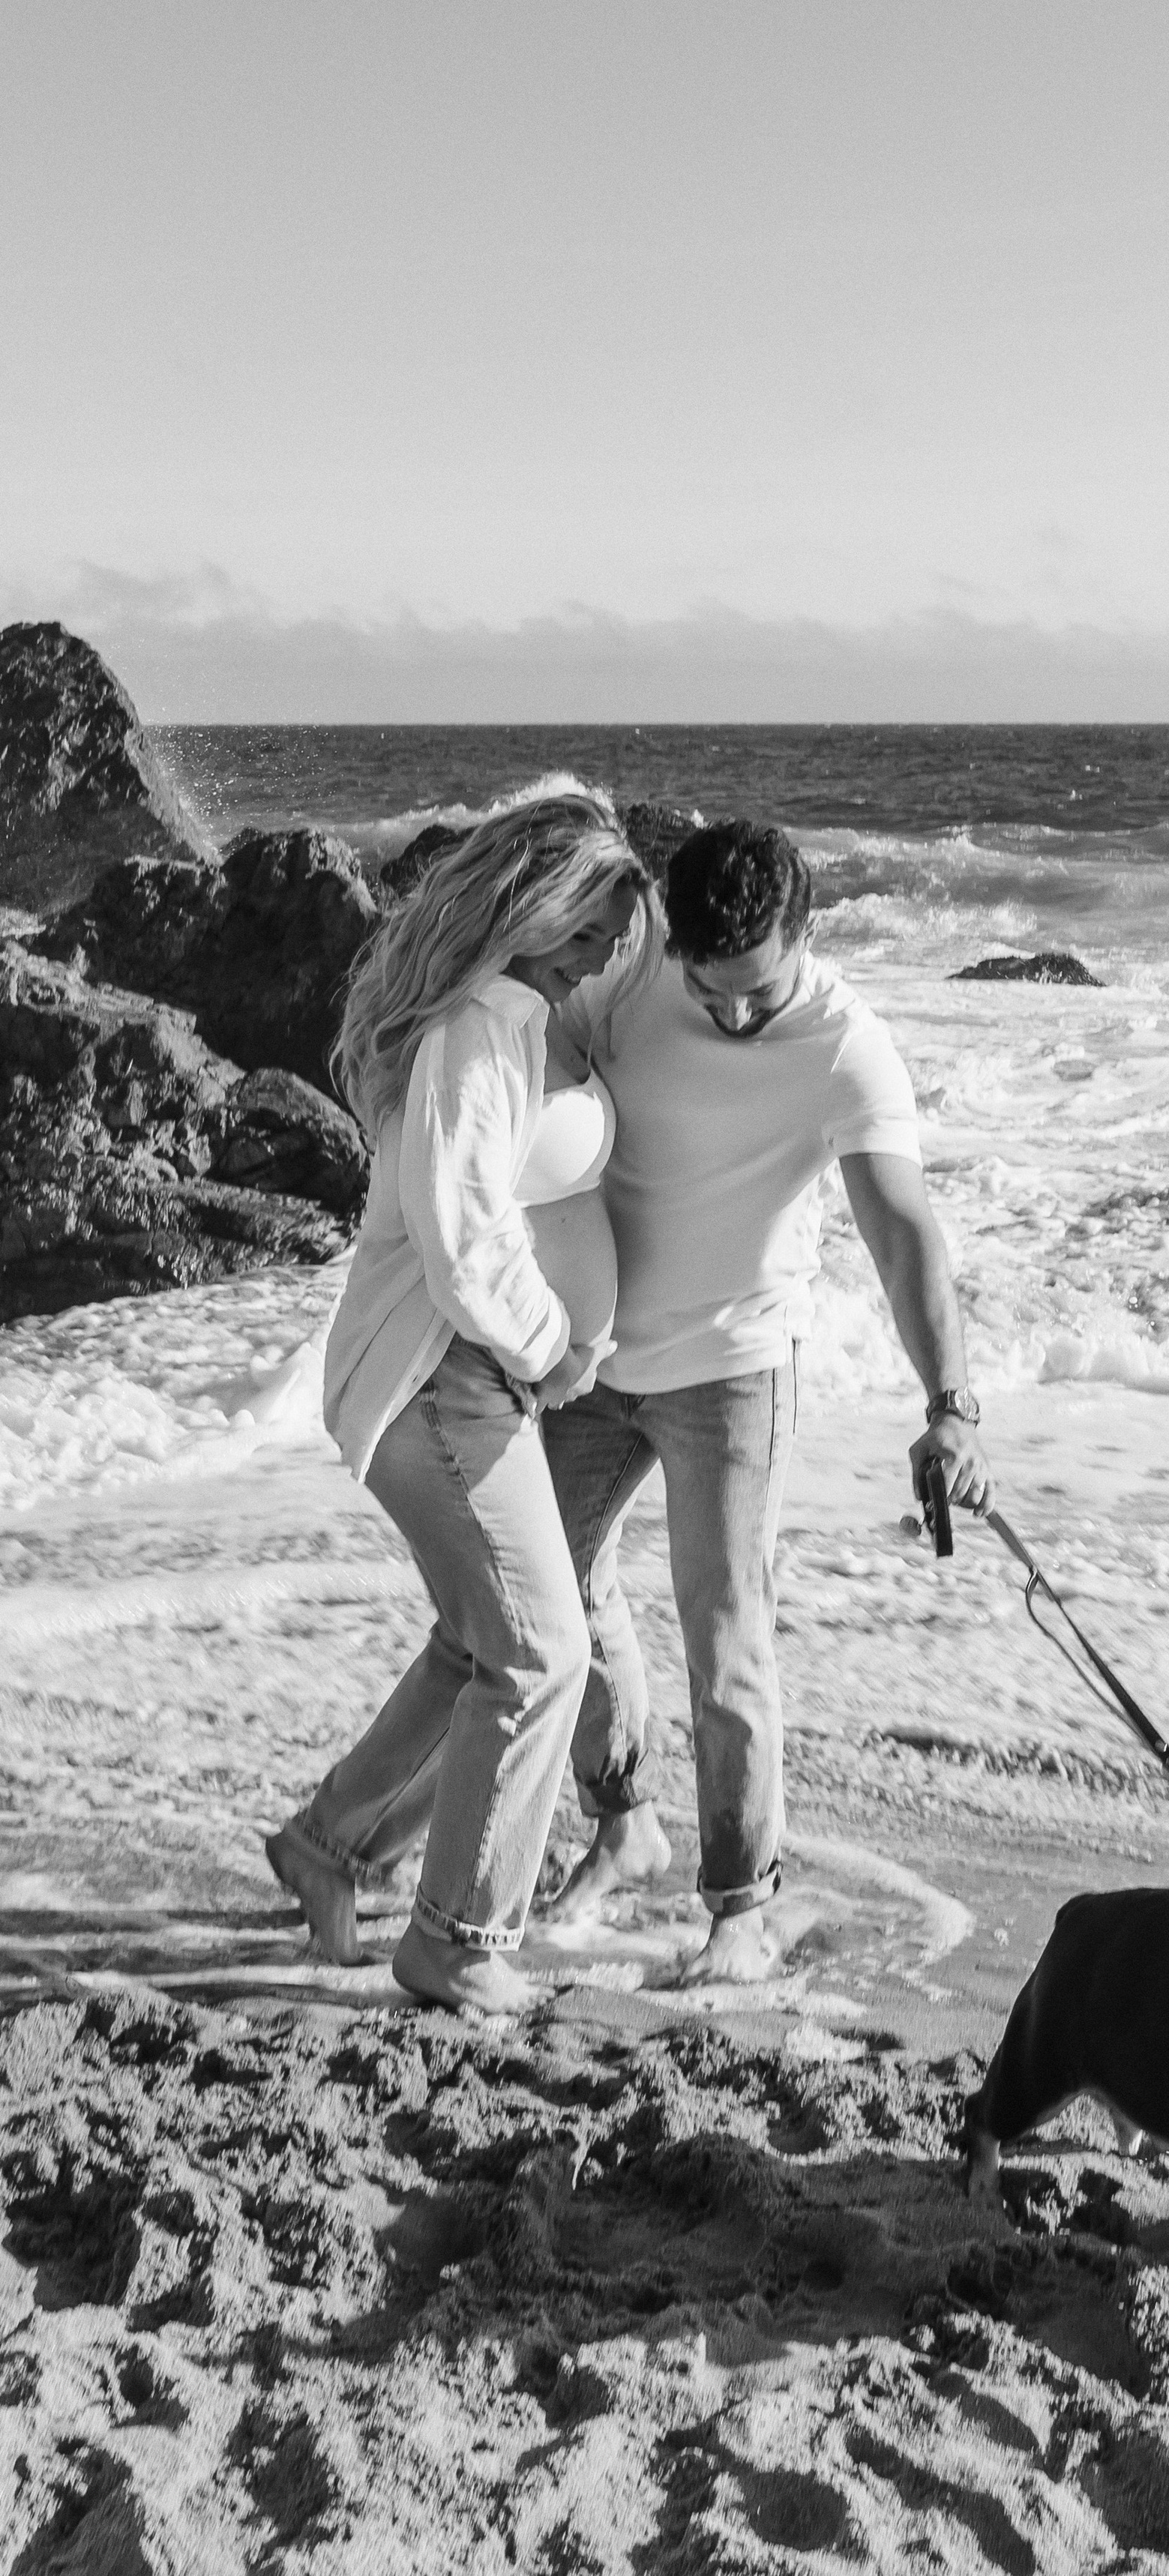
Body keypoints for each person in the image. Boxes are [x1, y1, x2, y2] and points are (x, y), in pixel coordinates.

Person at [542, 817, 995, 1982]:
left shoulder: (848, 1048)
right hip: (586, 1357)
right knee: (549, 1589)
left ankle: (741, 1909)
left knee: (724, 1631)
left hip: (734, 1369)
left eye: (760, 991)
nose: (738, 1015)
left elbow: (904, 1238)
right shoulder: (636, 967)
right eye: (715, 991)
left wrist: (952, 1404)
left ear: (808, 932)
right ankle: (623, 1818)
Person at [265, 787, 652, 2014]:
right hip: (447, 1384)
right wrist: (550, 1347)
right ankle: (458, 1942)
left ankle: (331, 1846)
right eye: (588, 930)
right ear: (532, 910)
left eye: (610, 939)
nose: (598, 958)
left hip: (476, 1385)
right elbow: (462, 1240)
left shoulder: (516, 1017)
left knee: (480, 1643)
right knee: (540, 1655)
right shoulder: (477, 1034)